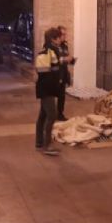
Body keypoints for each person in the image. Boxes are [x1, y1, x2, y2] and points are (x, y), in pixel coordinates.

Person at [34, 27, 73, 156]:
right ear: (53, 39)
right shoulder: (47, 51)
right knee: (51, 115)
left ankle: (39, 142)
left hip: (48, 88)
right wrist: (56, 71)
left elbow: (55, 61)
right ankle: (47, 145)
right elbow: (44, 70)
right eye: (59, 37)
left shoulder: (52, 51)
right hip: (47, 89)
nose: (61, 38)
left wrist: (64, 61)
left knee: (43, 116)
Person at [56, 25, 76, 121]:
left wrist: (71, 60)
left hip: (63, 73)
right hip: (55, 74)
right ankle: (49, 115)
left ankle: (60, 114)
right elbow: (54, 60)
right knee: (51, 97)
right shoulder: (54, 46)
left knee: (61, 96)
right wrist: (65, 59)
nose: (64, 36)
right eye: (63, 34)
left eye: (65, 34)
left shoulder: (65, 45)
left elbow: (66, 57)